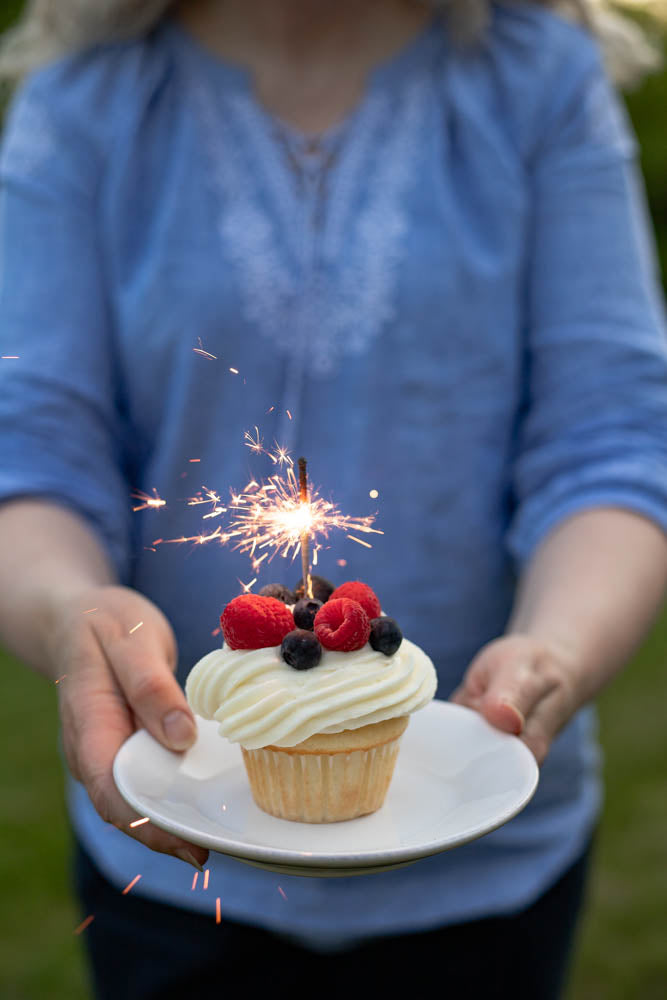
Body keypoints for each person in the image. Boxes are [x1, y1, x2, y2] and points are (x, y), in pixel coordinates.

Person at [0, 0, 666, 997]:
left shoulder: (536, 83)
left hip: (486, 856)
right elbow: (32, 451)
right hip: (181, 836)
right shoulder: (88, 102)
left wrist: (558, 647)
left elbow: (611, 436)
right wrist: (68, 611)